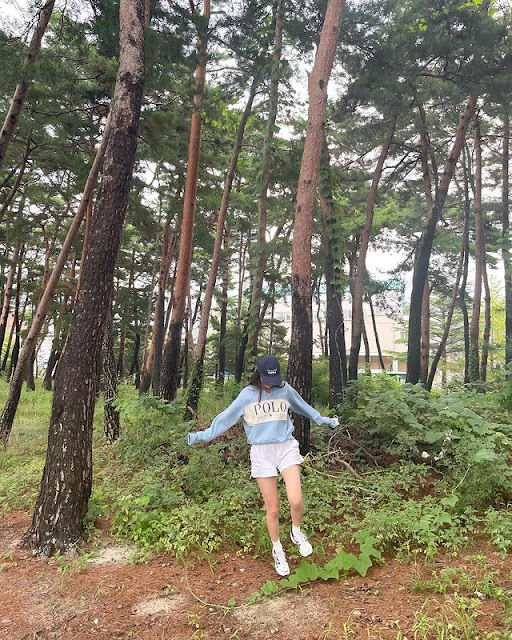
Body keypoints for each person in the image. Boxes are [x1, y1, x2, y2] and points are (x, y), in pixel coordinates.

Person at [187, 354, 338, 576]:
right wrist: (202, 436)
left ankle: (296, 531)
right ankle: (278, 549)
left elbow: (304, 408)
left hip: (285, 447)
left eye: (274, 380)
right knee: (273, 508)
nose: (270, 385)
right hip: (261, 453)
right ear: (259, 374)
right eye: (267, 380)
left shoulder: (284, 390)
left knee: (296, 500)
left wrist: (325, 420)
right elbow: (226, 418)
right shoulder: (247, 395)